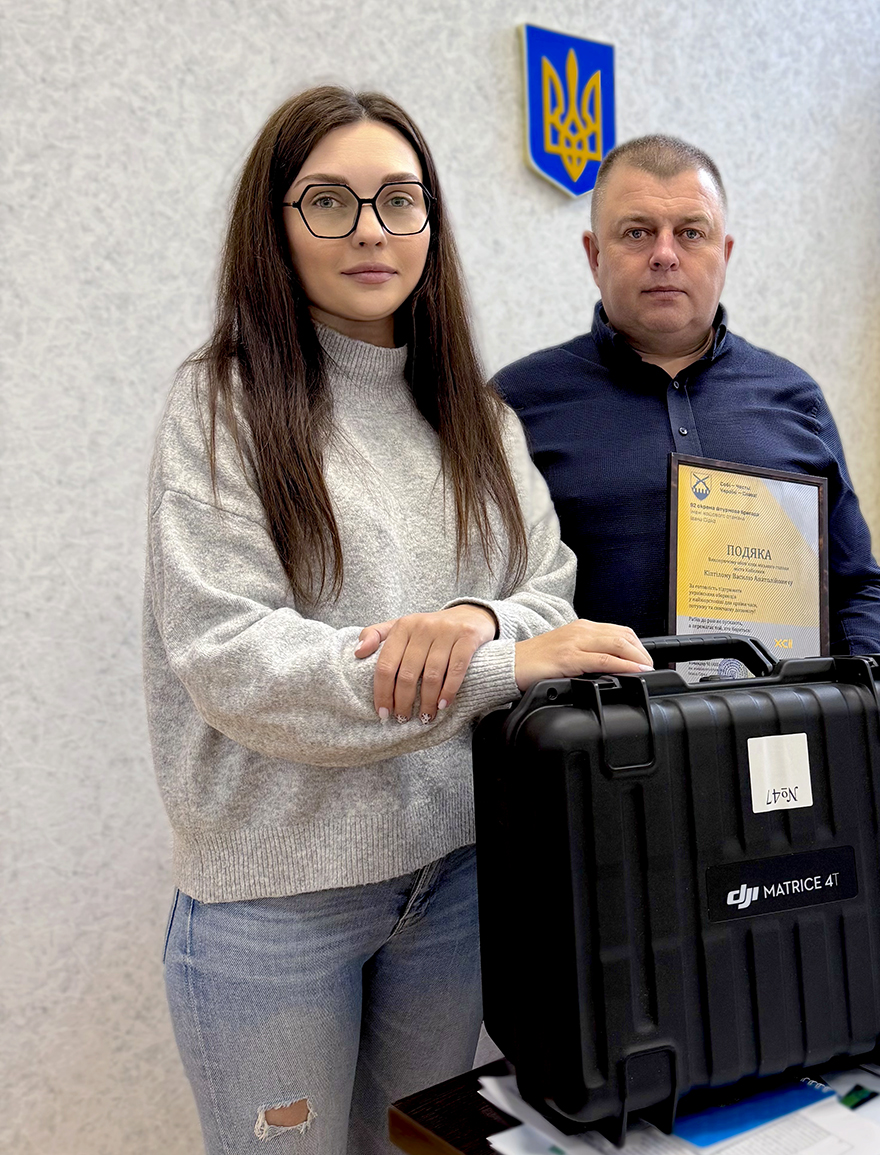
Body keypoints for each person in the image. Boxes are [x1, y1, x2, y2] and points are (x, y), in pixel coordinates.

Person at [144, 86, 650, 1155]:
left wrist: (472, 620)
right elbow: (233, 658)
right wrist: (497, 663)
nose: (370, 230)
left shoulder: (478, 414)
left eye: (399, 200)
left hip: (454, 880)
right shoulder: (221, 404)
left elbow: (548, 588)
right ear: (276, 225)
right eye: (329, 201)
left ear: (430, 221)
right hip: (275, 906)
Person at [494, 136, 880, 657]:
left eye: (691, 233)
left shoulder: (796, 399)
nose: (665, 255)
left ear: (724, 254)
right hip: (597, 706)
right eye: (637, 233)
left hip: (777, 707)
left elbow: (856, 588)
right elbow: (481, 592)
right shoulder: (513, 405)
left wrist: (877, 689)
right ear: (595, 256)